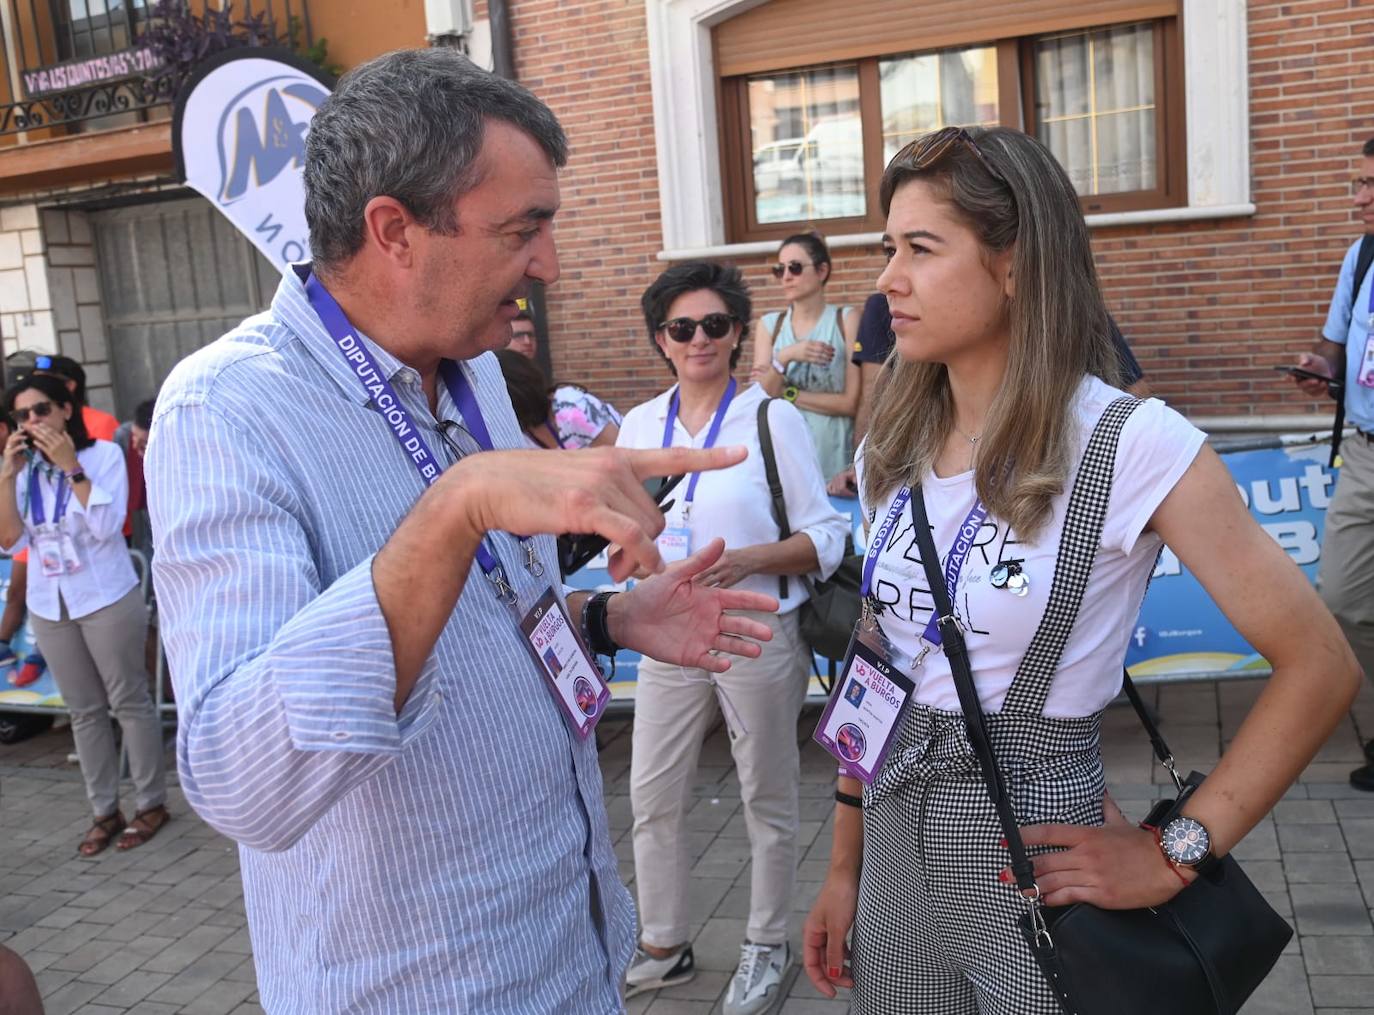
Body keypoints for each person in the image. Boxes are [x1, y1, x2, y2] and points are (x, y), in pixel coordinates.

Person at [147, 49, 780, 1013]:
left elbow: (489, 616)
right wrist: (455, 506)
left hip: (568, 950)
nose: (549, 266)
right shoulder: (227, 409)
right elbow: (242, 780)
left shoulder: (473, 364)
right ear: (394, 229)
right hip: (420, 984)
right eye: (522, 230)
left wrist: (607, 620)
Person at [802, 126, 1359, 1013]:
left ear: (1015, 263)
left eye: (920, 248)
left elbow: (1320, 663)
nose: (886, 280)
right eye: (886, 248)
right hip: (896, 859)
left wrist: (1178, 848)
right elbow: (877, 664)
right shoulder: (892, 445)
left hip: (1042, 866)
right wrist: (844, 865)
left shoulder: (1130, 441)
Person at [617, 261, 848, 1014]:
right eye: (682, 327)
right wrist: (635, 560)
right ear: (662, 338)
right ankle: (665, 941)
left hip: (756, 628)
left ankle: (766, 943)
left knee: (767, 797)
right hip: (669, 638)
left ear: (738, 331)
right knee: (651, 794)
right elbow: (621, 538)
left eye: (716, 324)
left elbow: (827, 535)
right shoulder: (639, 427)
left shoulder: (769, 416)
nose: (699, 339)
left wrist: (748, 559)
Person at [0, 374, 167, 855]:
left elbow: (107, 526)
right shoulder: (24, 470)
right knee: (84, 711)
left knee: (129, 702)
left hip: (105, 595)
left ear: (65, 410)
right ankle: (103, 810)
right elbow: (9, 540)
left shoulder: (102, 456)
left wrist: (71, 468)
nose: (33, 422)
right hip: (50, 602)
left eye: (42, 410)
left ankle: (151, 802)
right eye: (22, 415)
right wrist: (8, 475)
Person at [1294, 135, 1374, 791]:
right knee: (1344, 598)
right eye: (1358, 183)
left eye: (1372, 184)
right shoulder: (1362, 253)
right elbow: (1336, 343)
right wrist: (1321, 366)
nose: (1360, 197)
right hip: (1366, 454)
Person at [751, 233, 860, 484]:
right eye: (780, 269)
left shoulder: (846, 320)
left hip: (834, 463)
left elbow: (851, 403)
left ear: (822, 271)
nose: (786, 276)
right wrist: (788, 355)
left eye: (795, 268)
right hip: (783, 461)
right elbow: (760, 398)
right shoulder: (770, 325)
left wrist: (788, 394)